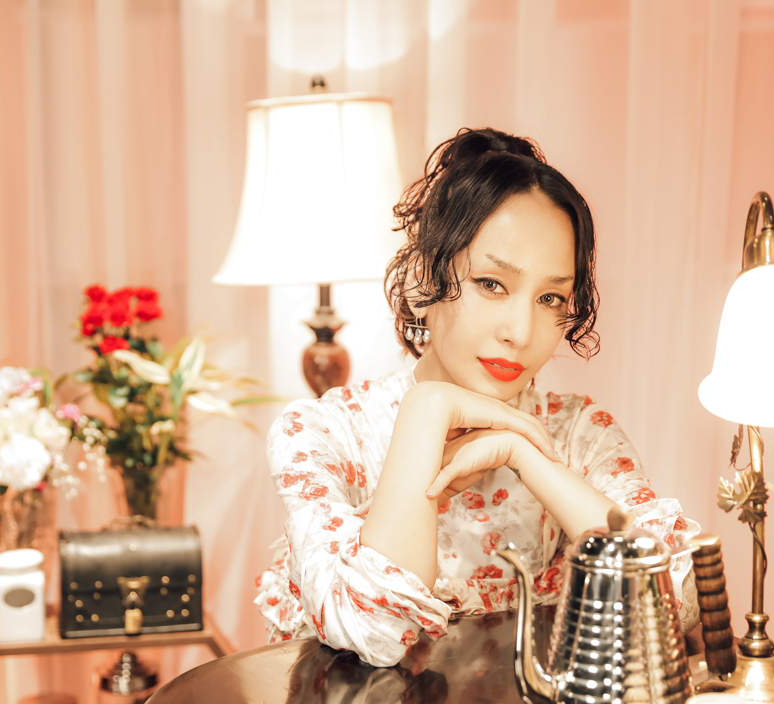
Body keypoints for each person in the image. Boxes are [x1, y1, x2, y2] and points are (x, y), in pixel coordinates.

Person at [254, 127, 700, 668]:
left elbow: (676, 605)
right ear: (422, 279)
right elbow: (376, 630)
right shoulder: (326, 434)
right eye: (492, 284)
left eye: (551, 298)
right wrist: (427, 410)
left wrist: (527, 457)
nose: (520, 332)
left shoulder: (577, 435)